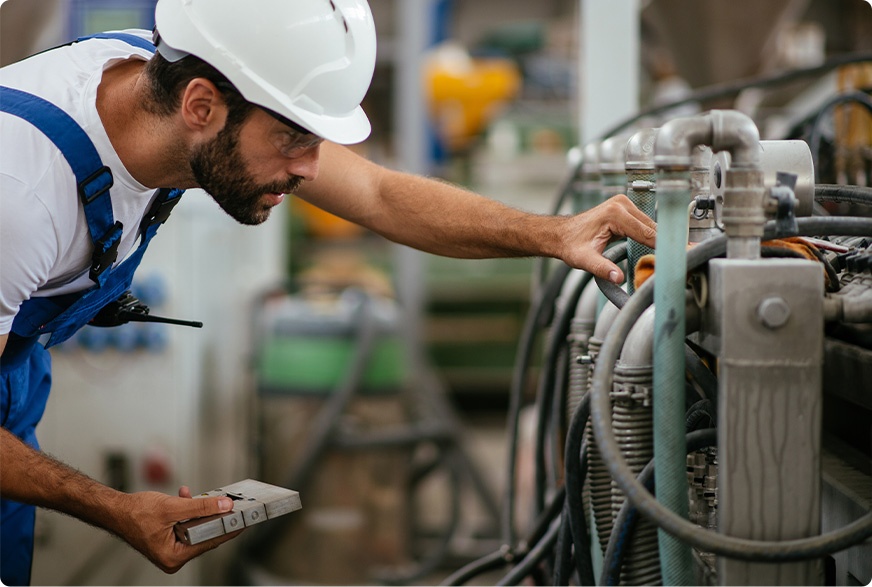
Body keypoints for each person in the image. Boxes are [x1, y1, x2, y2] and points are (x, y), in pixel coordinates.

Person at [0, 0, 657, 584]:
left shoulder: (172, 84)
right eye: (294, 139)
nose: (311, 169)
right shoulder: (22, 193)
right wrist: (118, 509)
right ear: (200, 106)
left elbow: (376, 193)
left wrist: (554, 234)